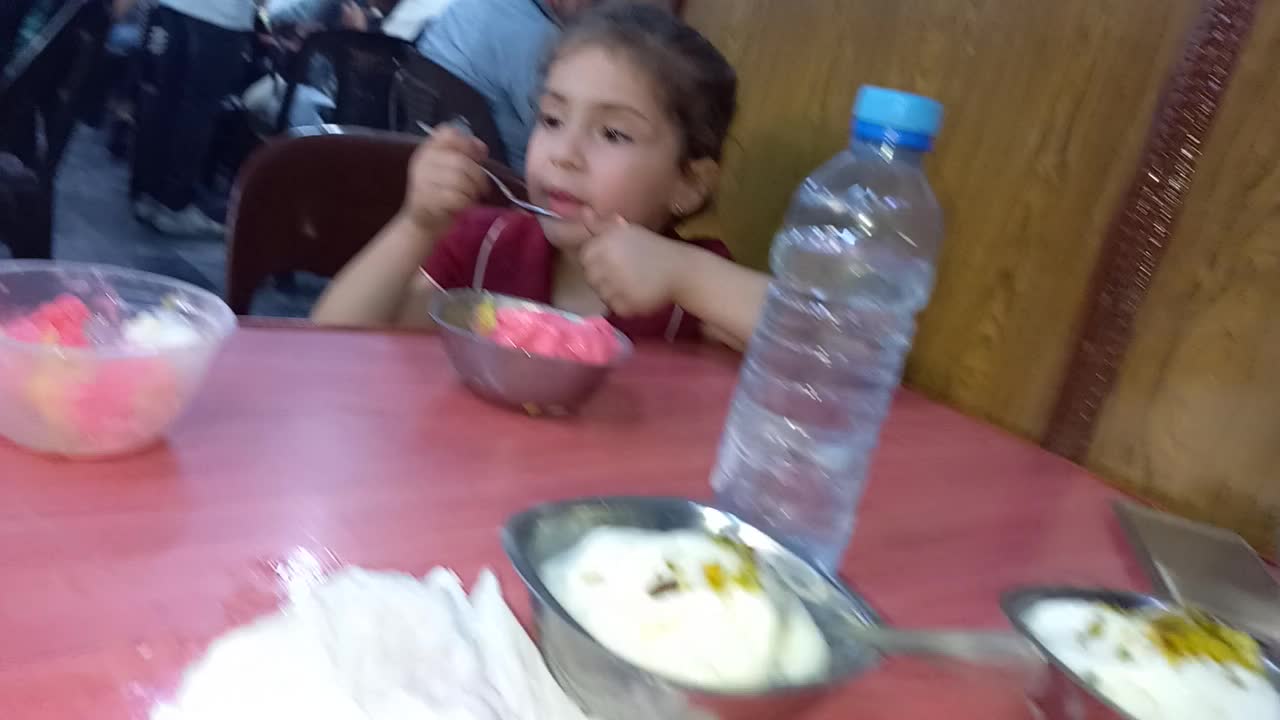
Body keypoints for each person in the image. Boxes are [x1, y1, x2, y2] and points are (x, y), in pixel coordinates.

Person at [313, 2, 769, 349]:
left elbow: (826, 349)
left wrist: (688, 277)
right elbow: (329, 342)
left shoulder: (688, 290)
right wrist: (416, 226)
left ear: (688, 184)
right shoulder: (483, 245)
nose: (564, 155)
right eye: (551, 120)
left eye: (612, 133)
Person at [130, 0, 256, 236]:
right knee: (198, 109)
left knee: (167, 99)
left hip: (175, 6)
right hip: (221, 16)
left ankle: (148, 194)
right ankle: (173, 204)